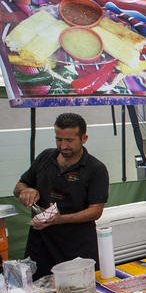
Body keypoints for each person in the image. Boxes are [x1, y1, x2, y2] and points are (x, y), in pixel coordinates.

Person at [14, 113, 109, 280]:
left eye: (69, 141)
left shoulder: (96, 169)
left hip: (77, 248)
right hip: (40, 245)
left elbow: (95, 211)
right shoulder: (45, 157)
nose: (63, 145)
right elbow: (19, 186)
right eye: (59, 139)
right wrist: (25, 192)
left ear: (84, 138)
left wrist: (60, 219)